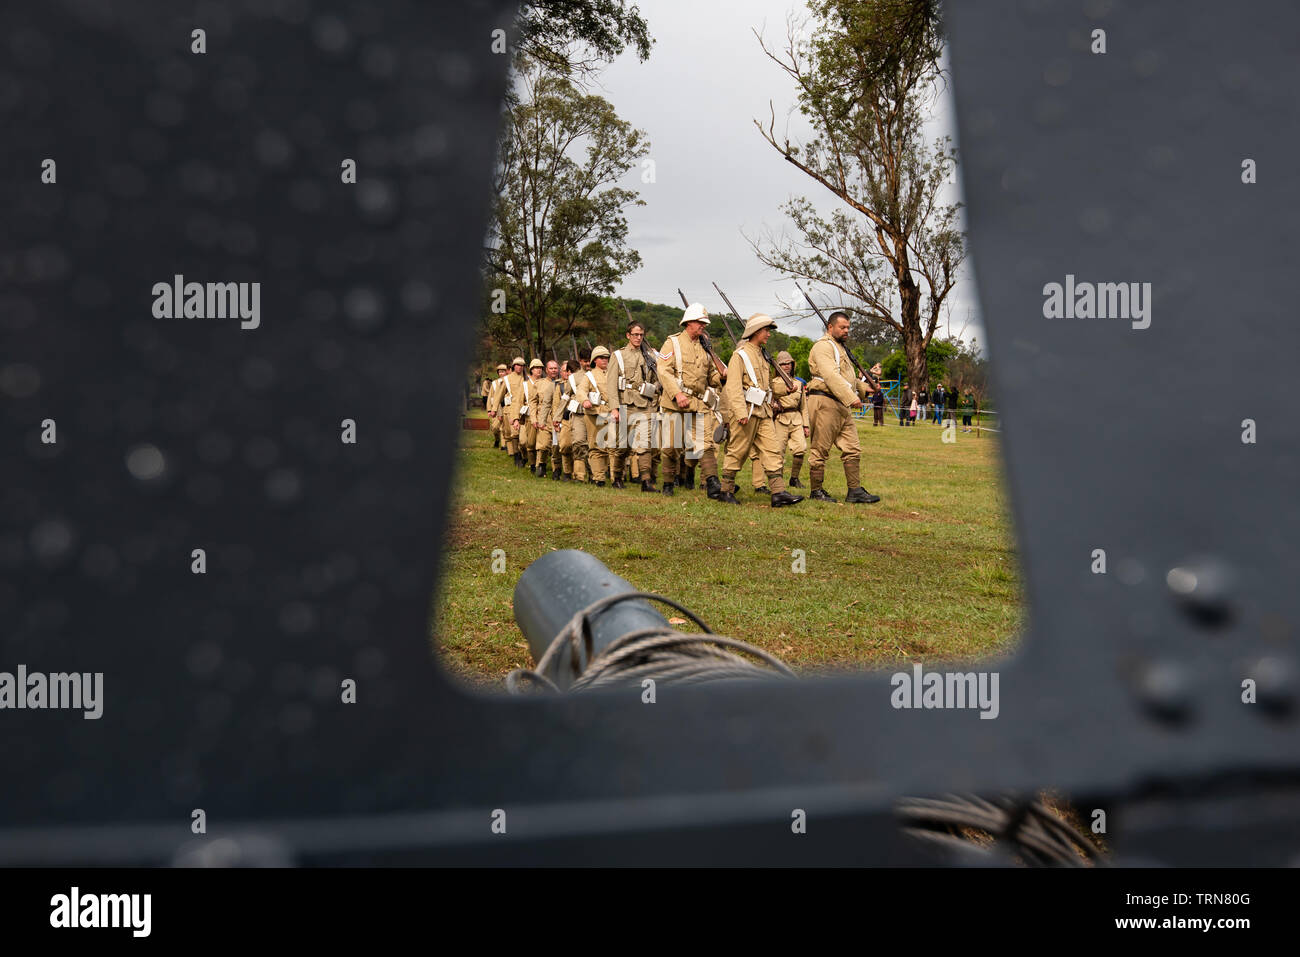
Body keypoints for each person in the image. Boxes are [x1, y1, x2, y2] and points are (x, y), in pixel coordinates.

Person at [719, 315, 802, 507]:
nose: (769, 334)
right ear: (756, 331)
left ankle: (778, 492)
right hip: (746, 413)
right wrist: (740, 412)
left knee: (772, 450)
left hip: (763, 411)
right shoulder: (739, 355)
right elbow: (733, 386)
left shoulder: (763, 355)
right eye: (766, 330)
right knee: (737, 451)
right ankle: (726, 490)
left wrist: (785, 389)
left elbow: (767, 385)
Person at [805, 311, 882, 504]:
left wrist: (866, 388)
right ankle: (816, 491)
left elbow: (849, 378)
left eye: (848, 327)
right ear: (830, 327)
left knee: (852, 448)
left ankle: (854, 490)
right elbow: (830, 376)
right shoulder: (823, 347)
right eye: (842, 327)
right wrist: (851, 398)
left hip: (841, 404)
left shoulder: (842, 349)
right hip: (825, 401)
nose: (847, 330)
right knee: (820, 449)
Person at [656, 302, 725, 498]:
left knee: (706, 444)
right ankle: (668, 483)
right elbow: (663, 370)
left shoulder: (705, 347)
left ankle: (712, 484)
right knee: (671, 446)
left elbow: (711, 374)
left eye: (704, 323)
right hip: (675, 403)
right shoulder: (673, 342)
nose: (703, 326)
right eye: (700, 322)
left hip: (698, 403)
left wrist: (721, 377)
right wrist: (677, 393)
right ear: (689, 322)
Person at [604, 320, 659, 492]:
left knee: (645, 443)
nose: (638, 338)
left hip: (644, 404)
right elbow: (611, 383)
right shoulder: (618, 355)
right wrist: (613, 407)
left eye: (641, 335)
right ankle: (617, 477)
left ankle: (646, 481)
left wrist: (653, 388)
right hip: (624, 404)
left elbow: (656, 380)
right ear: (628, 335)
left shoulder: (649, 356)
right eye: (635, 334)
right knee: (622, 446)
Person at [750, 350, 807, 492]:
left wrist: (806, 425)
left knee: (801, 449)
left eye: (789, 363)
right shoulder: (773, 383)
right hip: (780, 419)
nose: (786, 366)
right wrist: (773, 405)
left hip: (796, 419)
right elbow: (766, 399)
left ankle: (794, 478)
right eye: (782, 364)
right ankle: (778, 483)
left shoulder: (798, 384)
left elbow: (804, 406)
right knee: (778, 453)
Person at [581, 345, 614, 486]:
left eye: (607, 357)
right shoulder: (589, 375)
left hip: (612, 412)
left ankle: (616, 478)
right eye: (601, 357)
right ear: (594, 360)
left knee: (614, 447)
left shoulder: (614, 373)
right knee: (596, 446)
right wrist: (585, 400)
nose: (605, 360)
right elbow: (581, 390)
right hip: (595, 413)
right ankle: (599, 478)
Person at [526, 359, 555, 477]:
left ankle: (556, 470)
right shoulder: (539, 384)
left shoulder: (562, 383)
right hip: (544, 418)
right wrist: (534, 418)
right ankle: (541, 465)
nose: (554, 370)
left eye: (555, 368)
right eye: (551, 368)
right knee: (543, 445)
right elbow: (532, 402)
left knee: (557, 446)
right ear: (546, 370)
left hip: (559, 418)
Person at [502, 357, 527, 465]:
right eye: (517, 365)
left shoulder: (526, 378)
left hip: (525, 408)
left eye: (521, 365)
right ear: (513, 366)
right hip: (512, 407)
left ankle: (525, 455)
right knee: (514, 433)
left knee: (524, 434)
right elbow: (500, 393)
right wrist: (492, 409)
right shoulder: (507, 379)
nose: (519, 367)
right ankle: (517, 455)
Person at [486, 362, 508, 448]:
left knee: (504, 427)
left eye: (503, 371)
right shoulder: (494, 383)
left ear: (506, 372)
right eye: (500, 371)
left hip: (506, 407)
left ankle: (504, 445)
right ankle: (497, 439)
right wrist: (489, 409)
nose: (502, 373)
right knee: (495, 427)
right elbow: (490, 397)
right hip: (496, 408)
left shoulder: (509, 382)